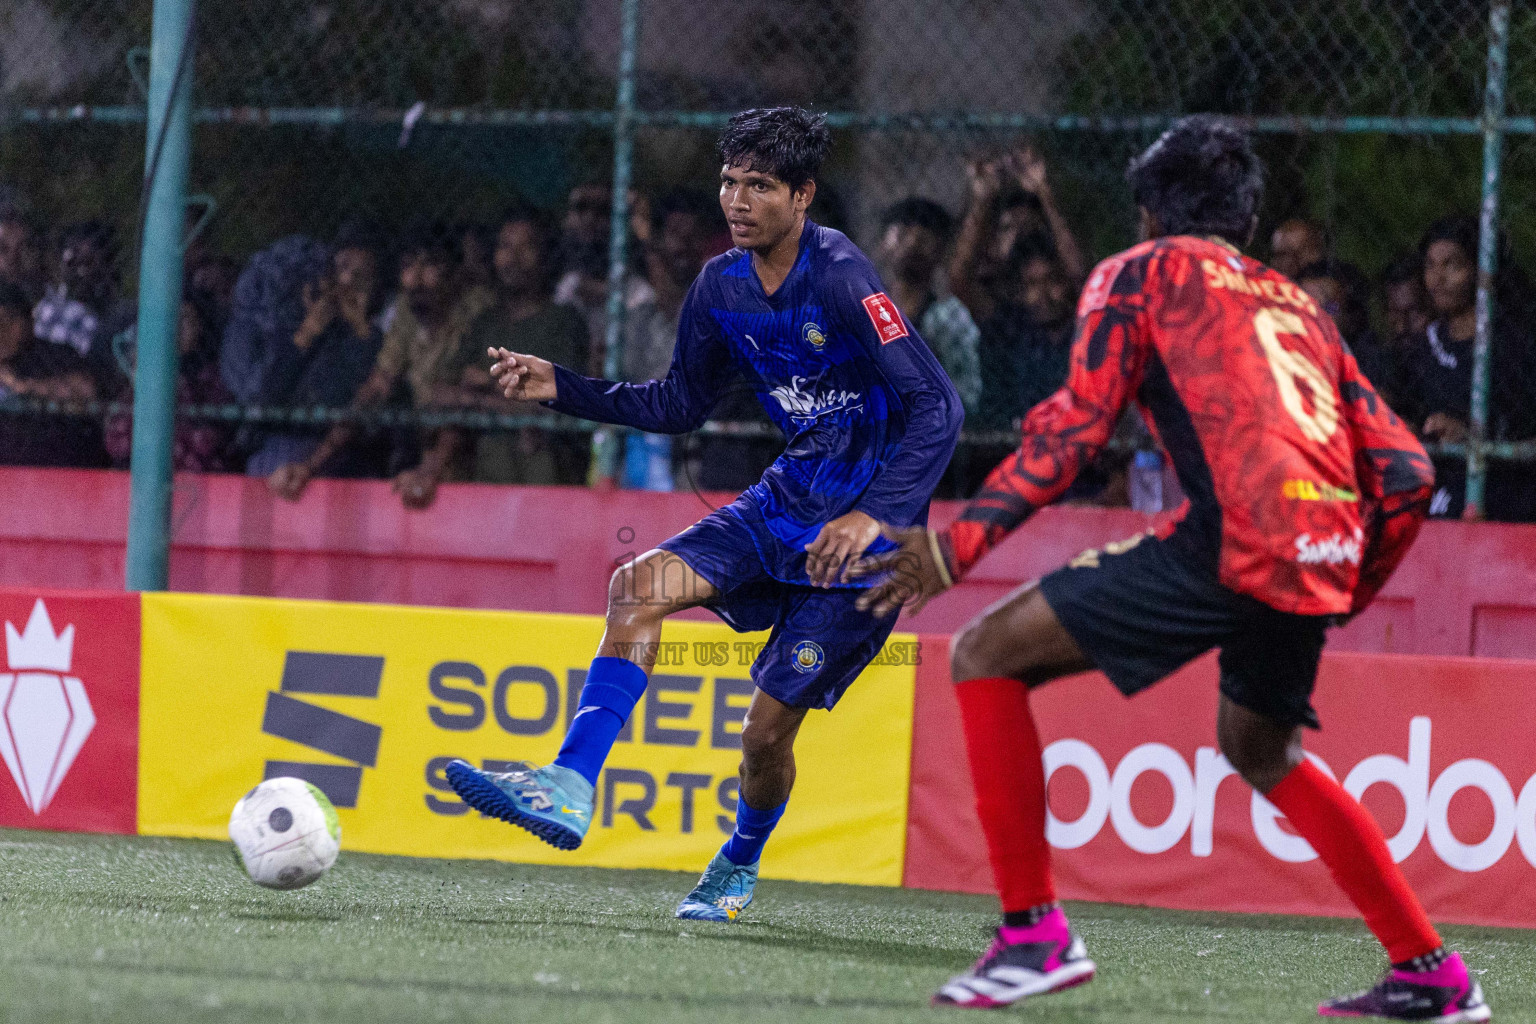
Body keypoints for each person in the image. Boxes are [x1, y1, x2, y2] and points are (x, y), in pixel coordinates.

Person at [852, 117, 1488, 1021]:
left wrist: (957, 546)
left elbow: (1074, 431)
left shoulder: (1135, 274)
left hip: (1234, 537)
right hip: (1322, 547)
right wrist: (1346, 583)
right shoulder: (1297, 304)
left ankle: (1032, 936)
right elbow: (1410, 475)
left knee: (984, 654)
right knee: (1261, 747)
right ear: (1246, 224)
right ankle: (1431, 971)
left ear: (1148, 213)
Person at [443, 106, 963, 922]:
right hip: (782, 504)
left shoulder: (842, 276)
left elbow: (938, 407)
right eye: (730, 181)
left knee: (762, 740)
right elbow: (681, 401)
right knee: (635, 587)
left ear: (803, 196)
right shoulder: (720, 285)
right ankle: (570, 785)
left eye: (760, 185)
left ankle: (739, 859)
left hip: (859, 550)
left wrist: (879, 519)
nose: (738, 199)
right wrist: (563, 387)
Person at [268, 225, 495, 509]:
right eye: (409, 265)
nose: (416, 277)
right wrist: (310, 465)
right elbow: (377, 386)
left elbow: (463, 399)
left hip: (483, 453)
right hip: (430, 452)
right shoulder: (408, 312)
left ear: (455, 273)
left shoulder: (478, 310)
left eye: (430, 265)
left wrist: (429, 471)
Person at [1394, 215, 1536, 521]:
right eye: (1430, 265)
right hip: (1435, 481)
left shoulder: (1516, 345)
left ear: (1481, 270)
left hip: (1505, 489)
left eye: (1452, 265)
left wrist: (1474, 437)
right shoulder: (1420, 348)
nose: (1437, 278)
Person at [220, 227, 386, 479]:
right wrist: (306, 334)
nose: (347, 281)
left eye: (361, 276)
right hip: (278, 443)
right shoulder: (292, 322)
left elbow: (341, 398)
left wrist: (358, 328)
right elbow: (263, 396)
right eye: (342, 268)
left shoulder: (370, 338)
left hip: (338, 450)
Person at [460, 207, 591, 486]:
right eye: (505, 246)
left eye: (526, 247)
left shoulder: (563, 322)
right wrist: (498, 397)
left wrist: (484, 386)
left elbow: (551, 401)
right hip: (485, 454)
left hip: (544, 455)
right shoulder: (485, 322)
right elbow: (448, 391)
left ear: (545, 256)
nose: (513, 259)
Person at [105, 295, 236, 473]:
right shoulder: (130, 389)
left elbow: (209, 440)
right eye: (168, 318)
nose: (176, 327)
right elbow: (116, 442)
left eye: (185, 318)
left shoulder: (213, 375)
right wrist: (145, 392)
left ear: (199, 324)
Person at [877, 197, 982, 415]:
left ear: (941, 252)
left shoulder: (950, 315)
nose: (913, 243)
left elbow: (968, 395)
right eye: (903, 233)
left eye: (925, 237)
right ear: (882, 244)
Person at [0, 279, 106, 467]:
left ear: (28, 321)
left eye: (9, 320)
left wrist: (23, 386)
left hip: (59, 467)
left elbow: (86, 391)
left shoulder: (54, 354)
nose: (4, 330)